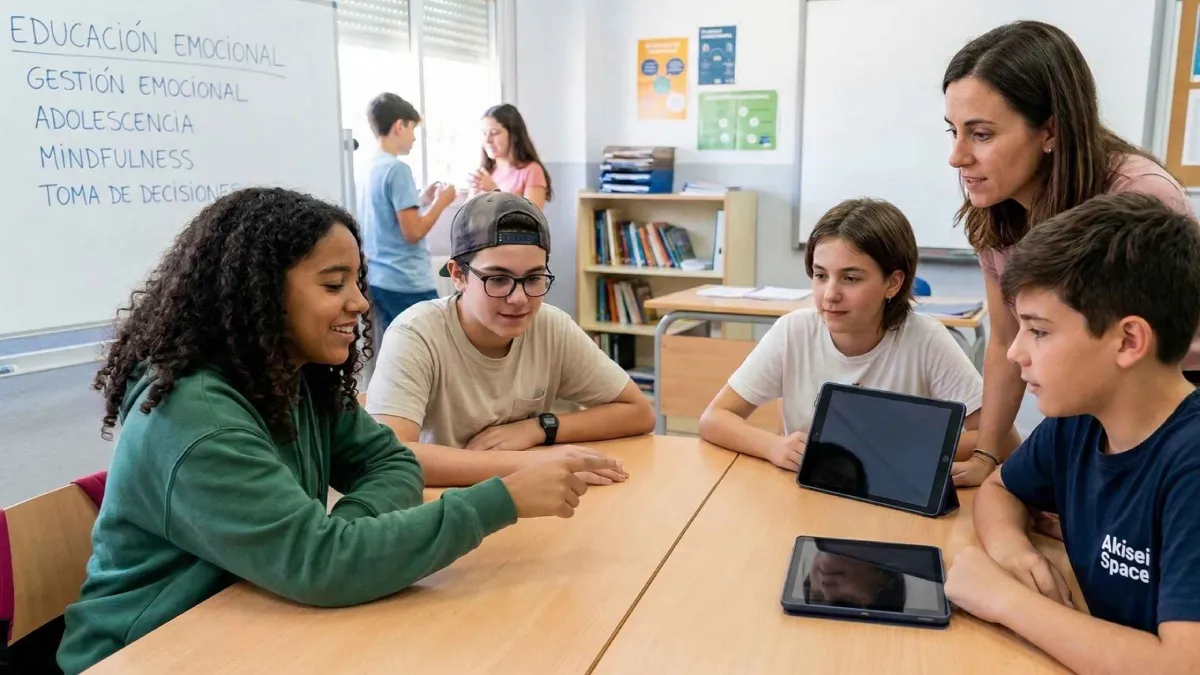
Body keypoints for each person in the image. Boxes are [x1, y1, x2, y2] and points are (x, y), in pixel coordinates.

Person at [56, 188, 616, 675]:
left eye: (356, 281)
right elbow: (323, 566)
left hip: (258, 616)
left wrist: (342, 535)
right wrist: (499, 502)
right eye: (333, 284)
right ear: (261, 293)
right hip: (148, 650)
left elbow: (391, 462)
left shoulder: (295, 376)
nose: (360, 302)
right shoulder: (195, 415)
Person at [945, 192, 1200, 674]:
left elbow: (1182, 666)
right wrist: (1012, 551)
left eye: (1039, 331)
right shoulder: (1080, 421)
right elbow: (1000, 488)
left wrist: (1004, 599)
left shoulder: (1190, 464)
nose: (1016, 352)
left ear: (1128, 341)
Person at [942, 20, 1197, 487]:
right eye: (953, 131)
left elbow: (1131, 358)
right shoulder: (995, 210)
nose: (957, 157)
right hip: (1096, 403)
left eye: (981, 135)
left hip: (1169, 404)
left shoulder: (1138, 196)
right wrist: (986, 453)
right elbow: (1004, 340)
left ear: (1051, 131)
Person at [698, 198, 1013, 472]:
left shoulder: (926, 340)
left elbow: (1003, 441)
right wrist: (772, 446)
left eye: (850, 278)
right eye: (820, 275)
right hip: (813, 491)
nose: (830, 294)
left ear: (893, 283)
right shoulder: (793, 331)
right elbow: (715, 418)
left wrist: (898, 448)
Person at [366, 191, 656, 487]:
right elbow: (389, 458)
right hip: (444, 502)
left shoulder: (550, 326)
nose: (519, 299)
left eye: (534, 279)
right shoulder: (416, 334)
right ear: (458, 275)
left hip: (529, 495)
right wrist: (531, 464)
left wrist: (539, 428)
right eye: (498, 279)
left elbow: (639, 413)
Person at [359, 92, 457, 331]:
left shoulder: (369, 167)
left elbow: (386, 217)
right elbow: (413, 232)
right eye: (412, 128)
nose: (414, 137)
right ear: (399, 126)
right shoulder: (397, 169)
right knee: (431, 344)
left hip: (380, 279)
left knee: (398, 345)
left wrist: (422, 201)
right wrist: (441, 202)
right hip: (406, 282)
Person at [468, 104, 552, 210]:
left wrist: (495, 192)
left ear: (514, 135)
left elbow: (530, 217)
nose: (487, 140)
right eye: (484, 133)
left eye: (494, 133)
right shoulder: (486, 173)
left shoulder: (532, 170)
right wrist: (473, 195)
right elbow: (465, 217)